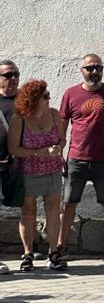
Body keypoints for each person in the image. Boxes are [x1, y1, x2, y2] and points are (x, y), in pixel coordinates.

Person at [57, 54, 104, 263]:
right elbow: (62, 128)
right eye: (90, 68)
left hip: (103, 159)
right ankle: (61, 247)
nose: (94, 72)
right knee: (69, 203)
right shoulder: (70, 94)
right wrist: (60, 155)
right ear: (82, 71)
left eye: (98, 67)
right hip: (76, 158)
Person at [8, 80, 66, 271]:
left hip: (52, 169)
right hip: (28, 172)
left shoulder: (54, 114)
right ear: (34, 100)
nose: (49, 98)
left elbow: (62, 139)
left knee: (53, 211)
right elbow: (13, 148)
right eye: (45, 96)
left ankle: (54, 253)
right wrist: (39, 152)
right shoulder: (20, 119)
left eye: (48, 95)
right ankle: (27, 253)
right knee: (28, 213)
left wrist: (59, 147)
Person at [0, 59, 21, 274]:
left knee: (28, 208)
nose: (13, 78)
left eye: (15, 74)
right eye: (7, 75)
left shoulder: (25, 101)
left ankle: (27, 255)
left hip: (20, 164)